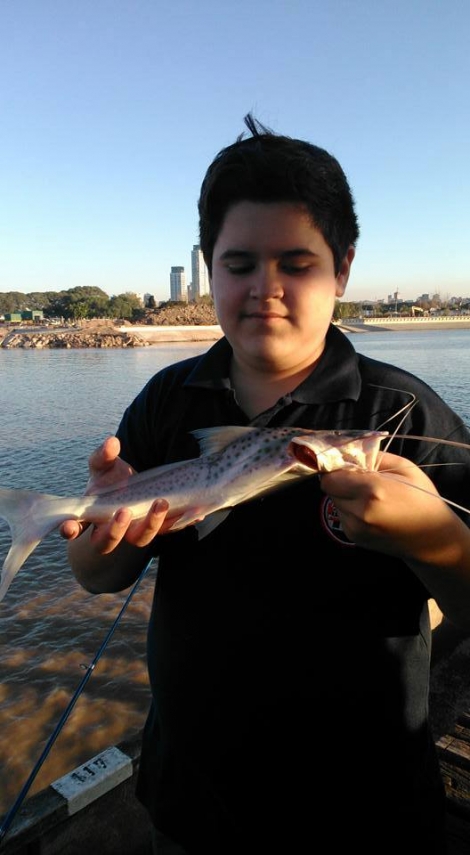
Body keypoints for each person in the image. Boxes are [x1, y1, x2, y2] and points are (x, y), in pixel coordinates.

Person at [62, 115, 470, 854]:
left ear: (343, 268)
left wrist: (438, 539)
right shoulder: (168, 400)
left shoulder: (401, 411)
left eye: (297, 263)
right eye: (240, 263)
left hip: (367, 805)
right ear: (209, 266)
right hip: (192, 798)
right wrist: (101, 533)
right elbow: (97, 575)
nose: (266, 290)